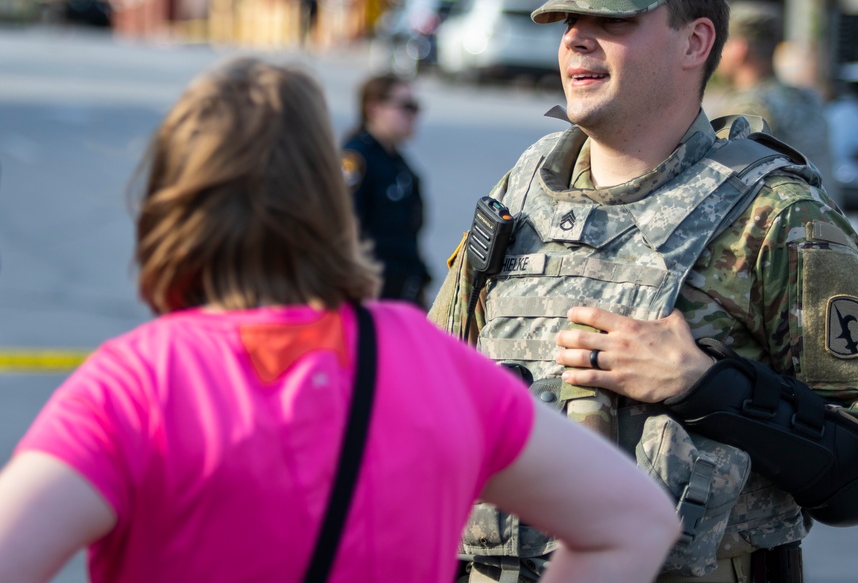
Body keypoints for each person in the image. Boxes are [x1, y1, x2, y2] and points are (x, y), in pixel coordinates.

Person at [0, 57, 681, 583]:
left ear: (168, 208)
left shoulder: (139, 383)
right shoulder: (432, 363)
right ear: (326, 202)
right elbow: (635, 520)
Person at [430, 0, 858, 583]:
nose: (577, 37)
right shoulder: (518, 196)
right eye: (568, 18)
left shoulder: (778, 219)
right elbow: (428, 400)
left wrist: (707, 386)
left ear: (696, 41)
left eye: (612, 19)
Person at [712, 0, 840, 202]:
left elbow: (726, 182)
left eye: (721, 43)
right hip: (822, 221)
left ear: (739, 49)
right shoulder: (806, 97)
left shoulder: (749, 108)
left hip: (782, 225)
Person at [341, 73, 431, 308]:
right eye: (406, 106)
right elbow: (343, 230)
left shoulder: (398, 162)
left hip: (402, 293)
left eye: (416, 107)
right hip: (371, 297)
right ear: (373, 109)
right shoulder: (356, 160)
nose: (414, 115)